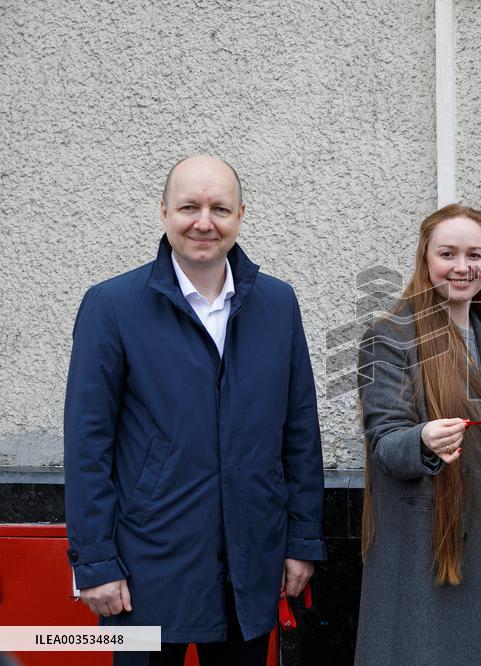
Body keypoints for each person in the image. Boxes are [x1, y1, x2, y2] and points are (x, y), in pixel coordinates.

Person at [64, 155, 326, 665]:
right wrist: (94, 561)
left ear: (240, 216)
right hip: (145, 568)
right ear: (164, 213)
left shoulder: (277, 304)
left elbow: (300, 430)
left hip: (249, 565)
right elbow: (87, 444)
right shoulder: (112, 306)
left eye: (219, 208)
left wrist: (302, 541)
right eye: (189, 206)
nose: (204, 222)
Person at [355, 204, 481, 665]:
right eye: (448, 254)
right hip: (428, 559)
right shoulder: (389, 337)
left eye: (475, 255)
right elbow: (384, 444)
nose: (463, 267)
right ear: (425, 259)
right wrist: (422, 441)